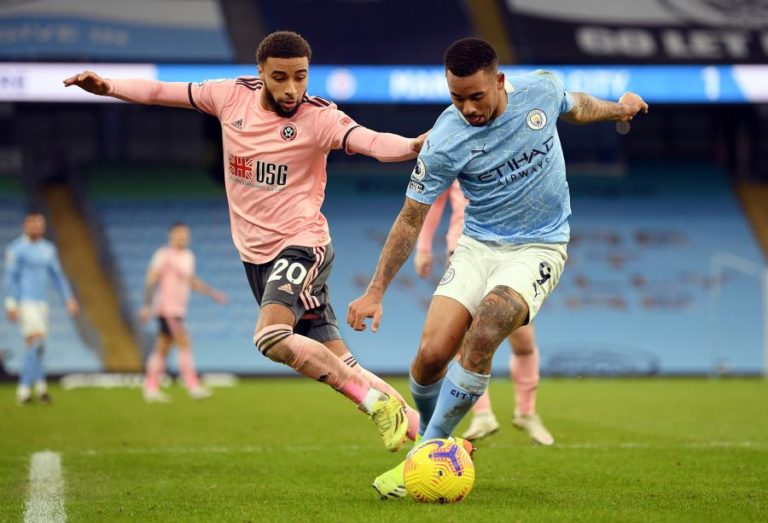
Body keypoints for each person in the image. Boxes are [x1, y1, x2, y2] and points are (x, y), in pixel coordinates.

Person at [64, 30, 425, 451]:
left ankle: (373, 404)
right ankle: (434, 440)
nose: (292, 89)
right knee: (343, 363)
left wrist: (413, 145)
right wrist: (110, 88)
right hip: (255, 258)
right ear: (260, 73)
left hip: (302, 244)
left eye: (301, 77)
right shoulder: (229, 96)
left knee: (269, 337)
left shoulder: (320, 117)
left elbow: (373, 142)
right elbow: (161, 90)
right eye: (280, 77)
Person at [348, 37, 648, 497]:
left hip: (540, 246)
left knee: (487, 326)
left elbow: (578, 105)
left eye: (476, 96)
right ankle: (437, 442)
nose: (467, 107)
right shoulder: (445, 139)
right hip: (477, 246)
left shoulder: (541, 91)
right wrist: (375, 290)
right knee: (430, 358)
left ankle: (421, 458)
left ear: (499, 81)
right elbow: (410, 218)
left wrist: (618, 109)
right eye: (456, 97)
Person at [415, 181, 554, 445]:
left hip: (511, 248)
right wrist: (423, 247)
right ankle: (481, 413)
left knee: (523, 339)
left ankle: (527, 412)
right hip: (464, 247)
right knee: (463, 336)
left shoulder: (511, 147)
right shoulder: (456, 145)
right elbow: (434, 199)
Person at [141, 223, 227, 402]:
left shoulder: (188, 256)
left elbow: (191, 281)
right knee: (184, 344)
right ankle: (192, 385)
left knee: (163, 348)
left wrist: (212, 293)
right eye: (179, 234)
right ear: (171, 235)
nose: (183, 238)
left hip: (179, 309)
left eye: (185, 235)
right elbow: (151, 278)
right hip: (167, 309)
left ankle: (150, 387)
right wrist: (147, 305)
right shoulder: (163, 255)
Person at [3, 212, 79, 404]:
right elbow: (10, 277)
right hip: (25, 302)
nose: (37, 227)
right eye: (34, 224)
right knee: (36, 342)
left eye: (40, 224)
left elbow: (58, 276)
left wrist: (68, 298)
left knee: (39, 346)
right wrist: (10, 302)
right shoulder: (16, 249)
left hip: (42, 304)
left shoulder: (48, 249)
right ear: (25, 225)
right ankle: (24, 389)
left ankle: (40, 388)